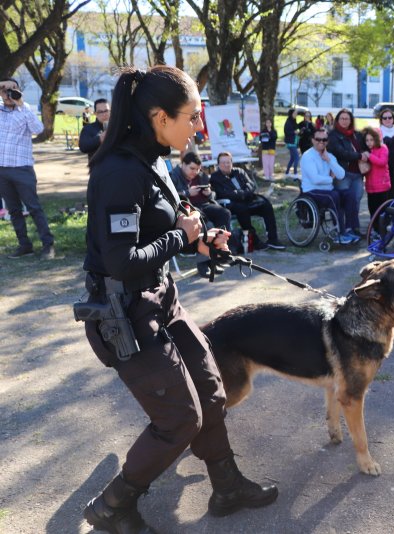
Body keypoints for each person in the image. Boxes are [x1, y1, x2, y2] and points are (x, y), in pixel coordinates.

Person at [81, 65, 278, 533]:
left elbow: (169, 226)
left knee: (211, 391)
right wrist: (180, 237)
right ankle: (113, 506)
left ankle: (227, 486)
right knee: (178, 419)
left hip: (161, 301)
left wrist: (200, 239)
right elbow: (123, 260)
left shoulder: (154, 159)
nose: (198, 127)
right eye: (191, 117)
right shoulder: (118, 173)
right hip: (126, 316)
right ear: (158, 117)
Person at [0, 77, 55, 259]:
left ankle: (48, 245)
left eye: (12, 89)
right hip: (2, 170)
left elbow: (38, 129)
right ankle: (25, 245)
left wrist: (21, 103)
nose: (8, 93)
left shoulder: (25, 109)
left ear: (19, 91)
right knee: (14, 210)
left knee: (34, 208)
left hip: (22, 169)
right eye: (4, 89)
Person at [170, 151, 234, 277]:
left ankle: (220, 252)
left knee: (224, 213)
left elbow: (213, 194)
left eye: (197, 169)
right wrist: (187, 193)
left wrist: (209, 193)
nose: (195, 172)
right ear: (183, 164)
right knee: (206, 224)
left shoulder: (201, 175)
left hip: (204, 204)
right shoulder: (173, 176)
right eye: (192, 168)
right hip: (187, 209)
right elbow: (171, 197)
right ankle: (204, 264)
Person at [210, 151, 286, 250]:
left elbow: (251, 184)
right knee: (242, 209)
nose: (226, 165)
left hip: (247, 199)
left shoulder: (239, 172)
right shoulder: (215, 177)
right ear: (218, 164)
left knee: (265, 204)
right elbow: (223, 193)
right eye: (223, 163)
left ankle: (273, 239)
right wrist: (240, 194)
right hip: (231, 204)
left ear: (232, 163)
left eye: (228, 162)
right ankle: (254, 240)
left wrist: (244, 193)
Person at [299, 127, 360, 244]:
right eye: (318, 139)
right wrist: (330, 179)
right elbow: (315, 179)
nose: (321, 142)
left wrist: (329, 160)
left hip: (328, 190)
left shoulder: (329, 156)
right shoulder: (307, 156)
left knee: (349, 194)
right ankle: (340, 233)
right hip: (311, 191)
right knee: (334, 195)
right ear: (312, 140)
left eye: (324, 140)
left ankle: (349, 228)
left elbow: (341, 175)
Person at [327, 108, 366, 233]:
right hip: (343, 174)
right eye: (342, 118)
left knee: (356, 199)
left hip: (357, 173)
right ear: (337, 120)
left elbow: (365, 148)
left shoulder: (357, 135)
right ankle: (341, 228)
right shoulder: (333, 135)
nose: (344, 121)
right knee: (343, 202)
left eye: (347, 119)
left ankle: (353, 227)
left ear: (351, 120)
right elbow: (341, 153)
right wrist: (359, 156)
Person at [362, 126, 390, 218]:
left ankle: (381, 229)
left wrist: (370, 156)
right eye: (367, 140)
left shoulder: (383, 148)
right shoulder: (367, 151)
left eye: (371, 139)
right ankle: (373, 228)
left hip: (382, 186)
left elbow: (382, 162)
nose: (369, 142)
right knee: (372, 209)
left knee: (381, 210)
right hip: (370, 187)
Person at [284, 108, 299, 177]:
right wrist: (294, 132)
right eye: (294, 113)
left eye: (296, 113)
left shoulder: (293, 121)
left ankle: (287, 172)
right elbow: (287, 131)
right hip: (290, 143)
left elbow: (296, 128)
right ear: (291, 114)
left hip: (294, 142)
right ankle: (295, 173)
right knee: (297, 157)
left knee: (292, 158)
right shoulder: (288, 122)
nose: (296, 114)